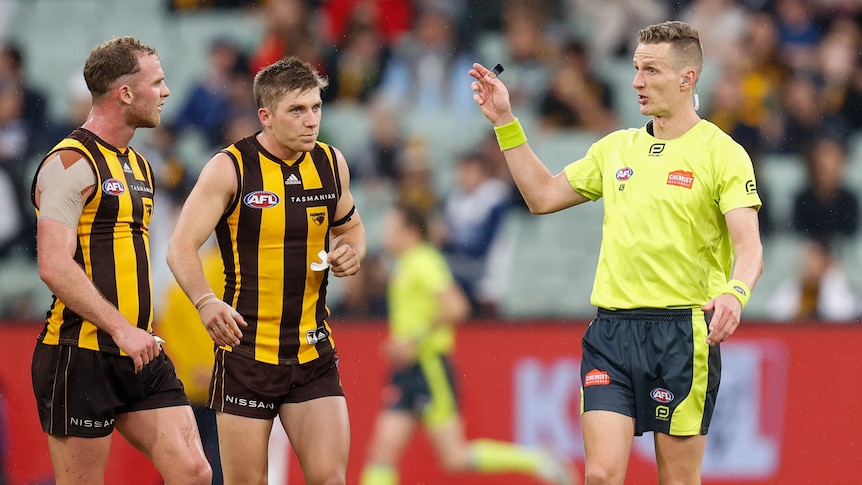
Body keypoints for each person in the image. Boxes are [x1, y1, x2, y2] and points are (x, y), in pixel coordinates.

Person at [470, 20, 764, 484]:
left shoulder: (722, 153)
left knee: (678, 479)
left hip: (682, 335)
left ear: (687, 79)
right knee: (601, 475)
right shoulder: (616, 149)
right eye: (634, 68)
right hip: (612, 332)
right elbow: (542, 196)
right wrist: (506, 121)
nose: (636, 82)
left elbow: (749, 245)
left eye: (651, 71)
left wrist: (735, 292)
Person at [166, 56, 365, 485]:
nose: (311, 120)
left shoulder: (332, 164)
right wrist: (205, 302)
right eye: (297, 110)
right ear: (266, 116)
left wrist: (350, 251)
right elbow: (180, 248)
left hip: (313, 353)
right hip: (247, 356)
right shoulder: (230, 167)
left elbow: (351, 227)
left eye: (316, 107)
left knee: (331, 479)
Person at [28, 37, 211, 485]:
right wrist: (120, 328)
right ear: (125, 93)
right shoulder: (69, 163)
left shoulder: (140, 166)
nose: (166, 93)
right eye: (158, 82)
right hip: (80, 354)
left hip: (141, 351)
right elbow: (53, 264)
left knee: (194, 471)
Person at [360, 203, 575, 485]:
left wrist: (414, 339)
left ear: (410, 232)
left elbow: (457, 307)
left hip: (428, 367)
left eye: (391, 227)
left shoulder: (425, 261)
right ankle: (536, 459)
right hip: (407, 370)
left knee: (454, 457)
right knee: (382, 452)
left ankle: (536, 459)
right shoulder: (406, 264)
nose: (384, 233)